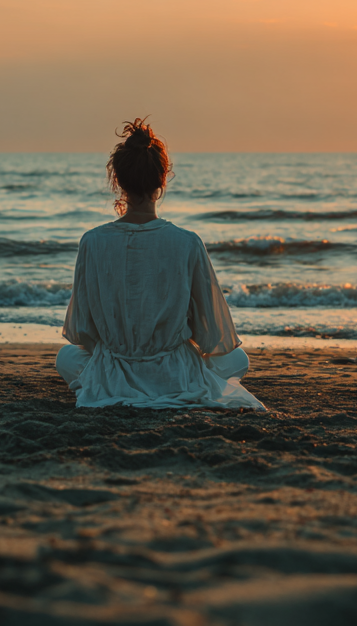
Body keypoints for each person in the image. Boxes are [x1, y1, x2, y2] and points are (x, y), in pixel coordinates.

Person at [56, 119, 266, 411]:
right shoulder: (187, 242)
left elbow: (83, 332)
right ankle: (160, 388)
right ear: (163, 178)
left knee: (65, 357)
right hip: (175, 373)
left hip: (113, 369)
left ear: (117, 180)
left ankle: (119, 388)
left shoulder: (92, 241)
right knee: (238, 360)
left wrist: (123, 351)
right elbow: (212, 337)